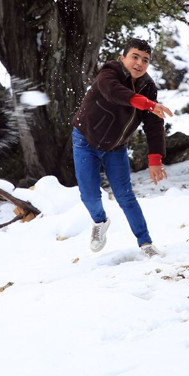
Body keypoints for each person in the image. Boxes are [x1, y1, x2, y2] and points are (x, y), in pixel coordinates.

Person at [71, 38, 173, 257]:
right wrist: (147, 104)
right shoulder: (109, 72)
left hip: (116, 147)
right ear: (122, 58)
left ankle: (145, 243)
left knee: (125, 196)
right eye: (135, 57)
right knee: (89, 195)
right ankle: (100, 222)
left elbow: (154, 124)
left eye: (145, 60)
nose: (139, 63)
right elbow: (114, 92)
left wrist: (155, 159)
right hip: (85, 140)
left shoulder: (147, 87)